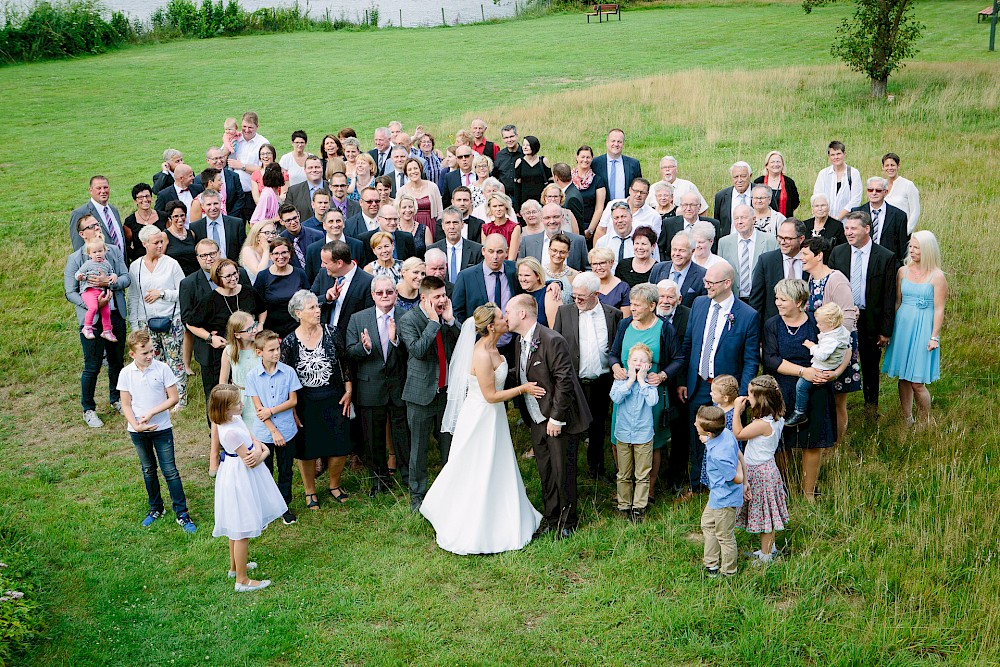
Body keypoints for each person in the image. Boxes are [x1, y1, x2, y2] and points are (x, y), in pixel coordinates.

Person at [420, 303, 544, 554]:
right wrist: (524, 389)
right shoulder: (481, 354)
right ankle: (469, 520)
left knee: (496, 463)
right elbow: (490, 395)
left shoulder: (493, 347)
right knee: (477, 465)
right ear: (491, 326)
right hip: (481, 417)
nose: (506, 318)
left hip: (493, 417)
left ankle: (501, 509)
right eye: (501, 317)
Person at [507, 294, 593, 539]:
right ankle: (551, 516)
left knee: (562, 471)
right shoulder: (520, 341)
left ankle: (567, 521)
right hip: (536, 418)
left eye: (509, 312)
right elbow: (523, 372)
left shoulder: (552, 340)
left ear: (522, 314)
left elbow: (564, 382)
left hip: (558, 419)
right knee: (546, 470)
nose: (506, 316)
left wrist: (556, 418)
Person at [761, 279, 846, 501]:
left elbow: (845, 348)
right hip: (782, 389)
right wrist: (803, 372)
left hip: (817, 387)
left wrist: (835, 373)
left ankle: (808, 492)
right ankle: (784, 489)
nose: (777, 303)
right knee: (781, 443)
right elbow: (770, 359)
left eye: (783, 299)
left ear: (799, 302)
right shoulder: (772, 325)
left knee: (812, 441)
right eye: (777, 298)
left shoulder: (817, 323)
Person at [679, 263, 759, 493]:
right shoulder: (700, 304)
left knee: (725, 439)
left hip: (725, 392)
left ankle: (726, 487)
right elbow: (689, 344)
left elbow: (751, 360)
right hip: (698, 384)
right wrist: (684, 380)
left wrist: (741, 396)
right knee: (697, 437)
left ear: (727, 283)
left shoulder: (747, 315)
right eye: (705, 281)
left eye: (711, 283)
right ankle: (697, 486)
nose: (706, 286)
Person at [609, 283, 683, 503]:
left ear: (652, 306)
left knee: (654, 443)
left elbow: (679, 358)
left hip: (651, 393)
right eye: (631, 304)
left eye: (638, 305)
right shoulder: (624, 326)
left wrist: (662, 376)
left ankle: (648, 490)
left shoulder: (664, 329)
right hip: (624, 392)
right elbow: (613, 353)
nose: (633, 309)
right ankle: (625, 486)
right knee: (617, 439)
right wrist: (615, 366)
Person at [208, 384, 285, 592]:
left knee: (237, 526)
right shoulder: (229, 432)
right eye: (237, 403)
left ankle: (235, 567)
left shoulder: (235, 419)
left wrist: (258, 446)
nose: (242, 404)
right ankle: (241, 580)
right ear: (225, 408)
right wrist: (265, 452)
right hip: (239, 477)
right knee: (241, 528)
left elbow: (253, 439)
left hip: (242, 474)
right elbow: (251, 460)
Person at [117, 330, 195, 533]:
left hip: (162, 429)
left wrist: (151, 413)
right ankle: (155, 509)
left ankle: (182, 513)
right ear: (133, 354)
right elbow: (126, 404)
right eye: (145, 353)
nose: (150, 356)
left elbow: (173, 398)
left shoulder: (162, 369)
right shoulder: (126, 373)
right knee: (148, 470)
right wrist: (135, 424)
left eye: (152, 351)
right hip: (138, 431)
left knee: (170, 471)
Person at [282, 290, 354, 508]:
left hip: (334, 396)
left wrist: (348, 390)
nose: (317, 310)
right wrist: (292, 408)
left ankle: (334, 485)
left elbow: (345, 363)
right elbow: (287, 377)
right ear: (298, 313)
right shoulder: (289, 341)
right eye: (312, 307)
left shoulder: (332, 332)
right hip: (305, 400)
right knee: (307, 447)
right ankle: (310, 490)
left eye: (317, 306)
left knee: (339, 443)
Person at [397, 276, 461, 511]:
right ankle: (417, 495)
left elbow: (463, 341)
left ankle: (449, 488)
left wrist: (451, 320)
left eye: (444, 295)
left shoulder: (446, 316)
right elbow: (418, 351)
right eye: (437, 297)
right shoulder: (409, 320)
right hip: (420, 395)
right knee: (419, 448)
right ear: (424, 298)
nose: (443, 300)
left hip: (446, 393)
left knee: (448, 444)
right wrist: (434, 323)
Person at [552, 271, 622, 481]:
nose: (577, 300)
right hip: (573, 382)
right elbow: (556, 347)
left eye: (581, 297)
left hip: (602, 382)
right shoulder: (565, 312)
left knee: (598, 426)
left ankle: (596, 469)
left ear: (596, 295)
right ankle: (568, 470)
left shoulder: (613, 315)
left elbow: (616, 349)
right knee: (570, 427)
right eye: (574, 296)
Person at [828, 211, 898, 416]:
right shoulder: (838, 253)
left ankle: (871, 409)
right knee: (838, 360)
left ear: (867, 229)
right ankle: (836, 409)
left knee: (869, 365)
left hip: (870, 320)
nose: (848, 233)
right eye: (846, 228)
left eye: (853, 229)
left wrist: (886, 330)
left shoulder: (885, 256)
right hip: (842, 319)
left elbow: (889, 295)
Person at [345, 276, 409, 496]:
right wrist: (365, 348)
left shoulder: (405, 316)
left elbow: (413, 352)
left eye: (389, 292)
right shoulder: (358, 318)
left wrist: (395, 341)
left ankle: (408, 477)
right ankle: (378, 481)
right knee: (373, 438)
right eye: (380, 293)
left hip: (399, 386)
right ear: (372, 295)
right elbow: (349, 352)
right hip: (370, 387)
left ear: (396, 294)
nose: (385, 296)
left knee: (403, 436)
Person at [65, 215, 131, 427]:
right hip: (91, 320)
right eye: (91, 226)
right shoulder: (76, 259)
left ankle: (117, 399)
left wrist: (109, 283)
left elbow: (125, 277)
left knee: (117, 362)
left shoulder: (112, 251)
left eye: (97, 224)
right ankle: (89, 408)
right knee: (92, 365)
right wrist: (93, 305)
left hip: (115, 316)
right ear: (82, 234)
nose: (97, 228)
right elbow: (70, 291)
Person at [882, 231, 947, 426]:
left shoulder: (937, 276)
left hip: (924, 327)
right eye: (911, 246)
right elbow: (897, 302)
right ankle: (907, 418)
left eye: (917, 247)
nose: (912, 250)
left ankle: (925, 420)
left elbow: (939, 309)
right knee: (903, 377)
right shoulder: (903, 271)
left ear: (927, 249)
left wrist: (934, 336)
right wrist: (891, 329)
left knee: (917, 381)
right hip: (903, 326)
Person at [800, 236, 860, 439]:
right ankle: (823, 439)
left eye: (805, 254)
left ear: (819, 256)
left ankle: (836, 445)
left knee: (837, 401)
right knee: (822, 399)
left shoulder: (836, 279)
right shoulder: (810, 280)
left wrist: (836, 360)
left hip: (838, 352)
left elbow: (849, 319)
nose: (801, 258)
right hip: (820, 352)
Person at [127, 226, 187, 411]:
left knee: (175, 360)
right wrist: (135, 324)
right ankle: (161, 398)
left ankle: (180, 399)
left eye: (161, 241)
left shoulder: (171, 264)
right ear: (144, 244)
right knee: (154, 360)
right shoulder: (135, 266)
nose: (160, 245)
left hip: (171, 319)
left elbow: (183, 292)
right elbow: (134, 297)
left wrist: (162, 294)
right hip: (147, 322)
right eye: (156, 243)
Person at [243, 329, 300, 523]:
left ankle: (284, 506)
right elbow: (259, 409)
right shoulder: (252, 376)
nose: (276, 353)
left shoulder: (288, 372)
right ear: (259, 352)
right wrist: (273, 431)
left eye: (278, 348)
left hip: (287, 430)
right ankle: (266, 508)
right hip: (264, 434)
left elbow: (293, 401)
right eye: (271, 350)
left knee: (286, 470)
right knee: (265, 472)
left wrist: (272, 411)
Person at [733, 375, 788, 564]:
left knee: (766, 515)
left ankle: (766, 556)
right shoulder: (775, 418)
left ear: (761, 399)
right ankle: (769, 549)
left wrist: (736, 412)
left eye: (750, 394)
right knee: (767, 513)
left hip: (760, 472)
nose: (747, 398)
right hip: (768, 468)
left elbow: (738, 434)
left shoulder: (762, 424)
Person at [610, 342, 659, 522]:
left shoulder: (650, 381)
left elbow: (653, 401)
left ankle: (639, 507)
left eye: (643, 360)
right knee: (623, 472)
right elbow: (615, 397)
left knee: (642, 473)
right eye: (635, 360)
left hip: (643, 434)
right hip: (623, 432)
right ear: (628, 362)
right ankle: (623, 504)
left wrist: (641, 380)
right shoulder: (621, 379)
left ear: (649, 365)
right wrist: (631, 380)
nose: (638, 363)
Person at [697, 405, 743, 578]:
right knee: (707, 524)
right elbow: (735, 452)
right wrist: (708, 442)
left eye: (697, 423)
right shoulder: (725, 434)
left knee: (725, 535)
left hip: (725, 498)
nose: (695, 424)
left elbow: (734, 477)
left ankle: (729, 572)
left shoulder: (718, 455)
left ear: (709, 433)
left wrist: (742, 477)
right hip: (717, 495)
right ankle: (711, 563)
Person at [787, 303, 851, 426]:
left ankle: (799, 411)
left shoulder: (831, 339)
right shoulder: (841, 331)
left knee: (801, 386)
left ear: (831, 324)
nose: (817, 325)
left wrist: (812, 346)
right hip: (831, 366)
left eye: (820, 324)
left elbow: (822, 355)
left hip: (822, 368)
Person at [451, 233, 520, 325]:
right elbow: (457, 311)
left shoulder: (515, 271)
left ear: (506, 252)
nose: (495, 257)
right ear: (483, 251)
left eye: (499, 252)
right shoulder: (466, 277)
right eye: (491, 251)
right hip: (479, 336)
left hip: (509, 335)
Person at [750, 218, 808, 324]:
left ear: (801, 239)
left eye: (788, 238)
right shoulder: (766, 261)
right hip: (773, 328)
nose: (782, 242)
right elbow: (756, 301)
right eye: (780, 237)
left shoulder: (810, 260)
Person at [717, 204, 779, 301]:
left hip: (761, 299)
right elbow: (721, 272)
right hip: (733, 299)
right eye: (736, 218)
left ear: (754, 219)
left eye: (744, 218)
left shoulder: (770, 241)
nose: (739, 222)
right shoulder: (724, 242)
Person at [852, 176, 910, 262]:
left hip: (888, 264)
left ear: (885, 192)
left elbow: (902, 247)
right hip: (862, 261)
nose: (874, 193)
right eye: (870, 190)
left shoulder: (899, 215)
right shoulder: (856, 213)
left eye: (878, 190)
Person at [218, 311, 259, 430]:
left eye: (254, 325)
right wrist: (227, 404)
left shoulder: (260, 347)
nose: (255, 330)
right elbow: (223, 382)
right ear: (237, 334)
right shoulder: (229, 351)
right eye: (250, 329)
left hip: (258, 396)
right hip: (239, 398)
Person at [520, 203, 589, 272]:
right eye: (547, 217)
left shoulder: (578, 241)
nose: (552, 221)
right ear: (541, 218)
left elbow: (588, 269)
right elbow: (521, 269)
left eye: (556, 217)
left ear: (562, 217)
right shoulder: (528, 242)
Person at [69, 175, 127, 255]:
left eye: (105, 187)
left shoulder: (114, 210)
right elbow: (79, 250)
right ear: (90, 190)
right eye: (98, 188)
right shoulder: (80, 213)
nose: (103, 191)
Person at [649, 231, 706, 309]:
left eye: (682, 250)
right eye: (674, 249)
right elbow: (650, 298)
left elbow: (702, 306)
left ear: (692, 251)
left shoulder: (702, 275)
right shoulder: (658, 268)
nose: (676, 254)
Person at [305, 209, 364, 283]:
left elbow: (362, 274)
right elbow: (310, 279)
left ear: (344, 223)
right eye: (331, 221)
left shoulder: (357, 245)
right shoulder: (313, 249)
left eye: (338, 221)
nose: (335, 225)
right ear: (324, 225)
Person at [75, 240, 117, 342]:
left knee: (106, 311)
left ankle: (107, 331)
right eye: (94, 252)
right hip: (89, 291)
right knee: (93, 307)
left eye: (100, 251)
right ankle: (87, 327)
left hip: (101, 292)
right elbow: (78, 274)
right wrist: (81, 277)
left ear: (105, 251)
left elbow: (111, 273)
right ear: (89, 254)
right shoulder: (88, 264)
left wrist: (114, 276)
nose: (98, 254)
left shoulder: (107, 264)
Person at [428, 207, 483, 284]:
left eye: (455, 222)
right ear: (442, 226)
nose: (452, 227)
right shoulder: (432, 250)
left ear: (462, 224)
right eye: (448, 223)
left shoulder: (476, 250)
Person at [191, 189, 246, 263]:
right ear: (203, 206)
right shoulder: (195, 227)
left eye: (215, 203)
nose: (213, 208)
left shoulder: (236, 224)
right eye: (209, 204)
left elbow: (244, 249)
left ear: (221, 204)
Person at [813, 140, 861, 220]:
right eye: (833, 155)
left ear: (844, 154)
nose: (836, 157)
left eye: (838, 154)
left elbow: (855, 200)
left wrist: (838, 218)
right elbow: (817, 197)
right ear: (829, 156)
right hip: (825, 220)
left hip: (847, 222)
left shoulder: (853, 173)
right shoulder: (823, 174)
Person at [592, 129, 641, 203]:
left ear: (623, 144)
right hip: (602, 209)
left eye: (619, 142)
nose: (616, 144)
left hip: (626, 209)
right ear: (607, 142)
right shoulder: (595, 163)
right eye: (613, 141)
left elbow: (638, 188)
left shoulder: (634, 164)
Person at [229, 111, 270, 198]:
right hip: (233, 193)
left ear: (257, 127)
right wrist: (226, 148)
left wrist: (242, 166)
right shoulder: (234, 138)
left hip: (252, 193)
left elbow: (265, 169)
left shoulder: (263, 143)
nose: (246, 130)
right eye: (244, 126)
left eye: (250, 127)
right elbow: (220, 157)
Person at [124, 182, 168, 262]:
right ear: (135, 201)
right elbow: (127, 246)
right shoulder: (130, 222)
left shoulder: (163, 216)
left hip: (163, 260)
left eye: (147, 196)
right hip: (141, 262)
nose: (145, 200)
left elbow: (170, 237)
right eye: (140, 197)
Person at [396, 158, 442, 232]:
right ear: (406, 173)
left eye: (415, 168)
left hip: (431, 226)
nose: (413, 171)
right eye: (409, 169)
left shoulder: (432, 187)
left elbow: (440, 212)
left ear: (420, 169)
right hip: (410, 227)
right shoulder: (401, 191)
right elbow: (398, 214)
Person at [573, 145, 608, 243]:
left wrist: (590, 230)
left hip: (589, 227)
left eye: (588, 157)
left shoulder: (598, 180)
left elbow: (599, 208)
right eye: (582, 157)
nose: (585, 160)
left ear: (592, 159)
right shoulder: (568, 178)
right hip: (571, 225)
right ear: (577, 157)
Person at [516, 257, 562, 327]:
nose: (523, 279)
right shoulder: (520, 293)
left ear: (537, 276)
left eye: (527, 275)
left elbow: (556, 329)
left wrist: (556, 283)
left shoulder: (550, 293)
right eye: (520, 275)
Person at [882, 153, 921, 234]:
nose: (890, 168)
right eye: (887, 165)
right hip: (885, 232)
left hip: (902, 231)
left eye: (892, 165)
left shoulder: (908, 185)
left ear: (898, 166)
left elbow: (915, 211)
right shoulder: (881, 185)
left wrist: (906, 231)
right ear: (883, 167)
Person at [713, 161, 754, 237]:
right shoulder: (721, 196)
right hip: (729, 242)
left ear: (750, 176)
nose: (739, 180)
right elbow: (718, 224)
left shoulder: (760, 193)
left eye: (743, 176)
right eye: (736, 177)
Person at [753, 150, 800, 217]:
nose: (776, 164)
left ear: (782, 164)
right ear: (766, 165)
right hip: (763, 221)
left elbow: (795, 202)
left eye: (778, 162)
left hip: (785, 221)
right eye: (772, 162)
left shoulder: (789, 182)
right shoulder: (759, 182)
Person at [589, 246, 630, 315]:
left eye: (602, 263)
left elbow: (625, 319)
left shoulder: (623, 288)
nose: (598, 268)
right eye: (595, 264)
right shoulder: (587, 285)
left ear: (611, 262)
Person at [162, 201, 200, 275]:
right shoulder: (164, 235)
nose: (180, 219)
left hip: (192, 275)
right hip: (174, 276)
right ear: (170, 218)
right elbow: (160, 260)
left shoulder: (191, 233)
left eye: (182, 215)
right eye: (176, 216)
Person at [286, 155, 329, 221]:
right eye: (310, 168)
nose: (314, 170)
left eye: (317, 167)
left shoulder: (332, 188)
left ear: (322, 168)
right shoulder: (293, 191)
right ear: (305, 170)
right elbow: (287, 216)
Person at [513, 135, 552, 207]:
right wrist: (517, 207)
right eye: (523, 145)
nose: (524, 147)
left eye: (527, 145)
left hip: (541, 200)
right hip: (525, 201)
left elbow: (550, 181)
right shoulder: (519, 162)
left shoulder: (543, 160)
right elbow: (517, 186)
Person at [482, 192, 521, 259]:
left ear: (506, 207)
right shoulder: (485, 228)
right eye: (494, 206)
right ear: (490, 208)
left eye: (501, 205)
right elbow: (485, 254)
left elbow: (512, 258)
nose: (498, 209)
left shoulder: (514, 227)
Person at [492, 124, 523, 205]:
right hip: (505, 198)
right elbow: (495, 175)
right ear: (503, 139)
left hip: (523, 196)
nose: (509, 140)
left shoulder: (526, 153)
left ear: (517, 136)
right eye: (506, 138)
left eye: (511, 136)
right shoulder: (500, 155)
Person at [240, 220, 277, 284]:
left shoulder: (274, 250)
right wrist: (266, 250)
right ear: (257, 236)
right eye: (267, 233)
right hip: (257, 289)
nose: (271, 236)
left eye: (273, 233)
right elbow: (260, 274)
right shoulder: (248, 250)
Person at [396, 194, 433, 258]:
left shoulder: (424, 230)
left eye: (410, 206)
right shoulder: (393, 229)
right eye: (404, 207)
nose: (408, 210)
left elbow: (430, 255)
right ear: (398, 209)